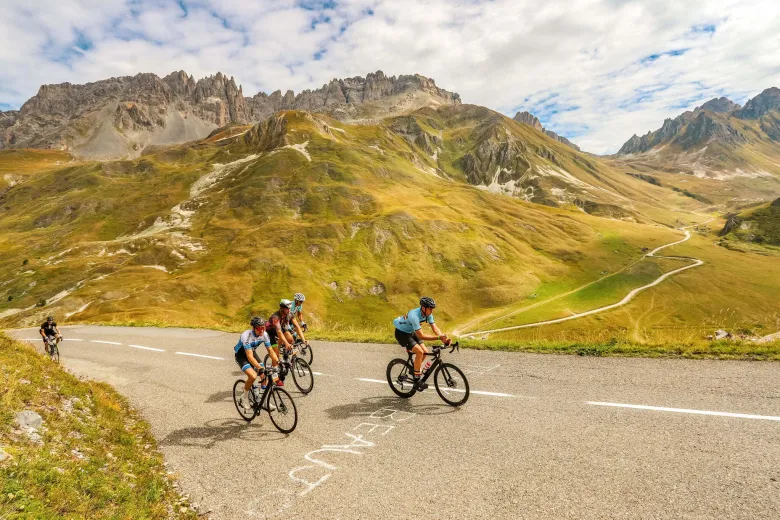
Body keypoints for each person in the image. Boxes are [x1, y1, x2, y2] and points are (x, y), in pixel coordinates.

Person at [393, 297, 450, 391]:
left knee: (425, 351)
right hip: (401, 332)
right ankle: (416, 378)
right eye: (430, 309)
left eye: (432, 309)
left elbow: (435, 328)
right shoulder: (414, 316)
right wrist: (439, 338)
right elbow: (422, 336)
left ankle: (414, 370)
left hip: (410, 331)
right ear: (423, 308)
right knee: (419, 351)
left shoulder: (428, 314)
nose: (431, 311)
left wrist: (444, 339)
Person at [234, 316, 273, 411]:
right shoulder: (246, 336)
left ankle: (263, 400)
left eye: (263, 328)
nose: (262, 331)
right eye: (259, 329)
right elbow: (249, 357)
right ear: (254, 328)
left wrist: (278, 362)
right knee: (253, 376)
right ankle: (244, 397)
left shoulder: (264, 334)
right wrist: (259, 367)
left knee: (265, 375)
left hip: (252, 353)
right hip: (242, 356)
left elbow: (271, 351)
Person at [265, 299, 309, 377]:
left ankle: (285, 356)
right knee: (275, 355)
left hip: (280, 329)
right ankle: (275, 376)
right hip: (270, 332)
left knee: (291, 339)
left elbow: (297, 326)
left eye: (289, 308)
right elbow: (279, 333)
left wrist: (303, 339)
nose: (288, 310)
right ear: (281, 308)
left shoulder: (290, 314)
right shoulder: (276, 317)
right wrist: (286, 343)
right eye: (286, 309)